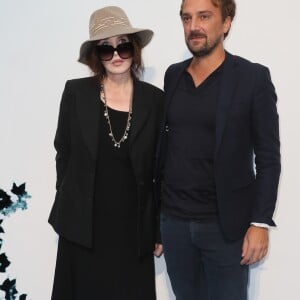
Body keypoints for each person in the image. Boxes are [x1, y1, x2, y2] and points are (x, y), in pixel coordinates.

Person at [154, 0, 281, 299]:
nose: (193, 26)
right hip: (174, 224)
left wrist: (259, 222)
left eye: (204, 16)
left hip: (226, 229)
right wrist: (156, 220)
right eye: (186, 18)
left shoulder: (252, 78)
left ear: (226, 23)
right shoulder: (173, 75)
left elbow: (268, 158)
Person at [49, 6, 163, 300]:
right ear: (95, 56)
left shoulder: (154, 99)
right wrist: (69, 201)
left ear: (134, 50)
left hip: (132, 228)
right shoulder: (76, 93)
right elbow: (64, 151)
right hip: (83, 228)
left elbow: (159, 168)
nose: (115, 56)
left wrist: (158, 228)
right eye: (106, 49)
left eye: (123, 46)